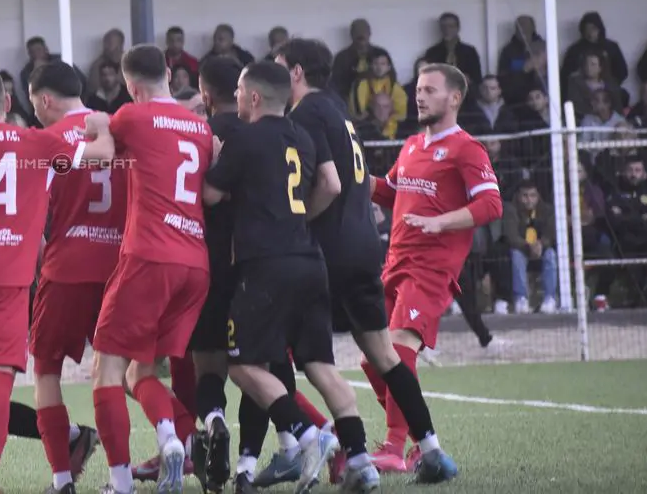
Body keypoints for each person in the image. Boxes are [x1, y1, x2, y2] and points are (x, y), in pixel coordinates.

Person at [276, 38, 452, 485]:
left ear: (296, 72)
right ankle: (431, 449)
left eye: (279, 67)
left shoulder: (304, 114)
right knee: (385, 355)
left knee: (288, 355)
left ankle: (337, 448)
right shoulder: (338, 110)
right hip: (363, 245)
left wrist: (297, 220)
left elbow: (328, 184)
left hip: (327, 251)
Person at [0, 71, 115, 494]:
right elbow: (101, 155)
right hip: (5, 274)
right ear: (8, 103)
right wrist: (101, 124)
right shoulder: (34, 143)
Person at [202, 60, 372, 494]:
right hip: (310, 259)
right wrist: (297, 219)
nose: (236, 97)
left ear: (254, 96)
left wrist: (216, 161)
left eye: (240, 91)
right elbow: (330, 184)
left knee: (243, 365)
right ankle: (361, 461)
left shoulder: (244, 138)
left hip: (265, 265)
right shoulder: (304, 135)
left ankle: (309, 435)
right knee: (320, 365)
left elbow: (210, 195)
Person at [368, 62, 502, 481]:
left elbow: (491, 204)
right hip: (395, 263)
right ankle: (418, 446)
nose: (419, 96)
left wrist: (441, 222)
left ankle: (393, 447)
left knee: (397, 347)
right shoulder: (411, 145)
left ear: (454, 98)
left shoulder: (466, 148)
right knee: (372, 359)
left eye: (429, 90)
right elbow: (391, 193)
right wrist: (356, 179)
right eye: (418, 90)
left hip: (430, 268)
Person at [89, 44, 213, 494]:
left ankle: (120, 482)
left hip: (149, 257)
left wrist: (96, 125)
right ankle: (176, 439)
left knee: (105, 370)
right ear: (168, 72)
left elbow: (100, 156)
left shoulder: (132, 116)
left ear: (130, 85)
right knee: (139, 373)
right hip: (195, 263)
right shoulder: (200, 127)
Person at [27, 61, 127, 494]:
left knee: (46, 370)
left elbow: (32, 218)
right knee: (125, 373)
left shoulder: (47, 141)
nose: (35, 113)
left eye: (34, 103)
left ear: (45, 98)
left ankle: (62, 479)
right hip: (121, 266)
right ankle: (171, 439)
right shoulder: (117, 130)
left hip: (66, 268)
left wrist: (41, 261)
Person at [175, 56, 272, 494]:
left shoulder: (199, 136)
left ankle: (213, 420)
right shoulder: (262, 135)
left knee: (208, 365)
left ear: (205, 93)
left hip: (208, 264)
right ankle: (248, 466)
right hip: (256, 265)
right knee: (258, 369)